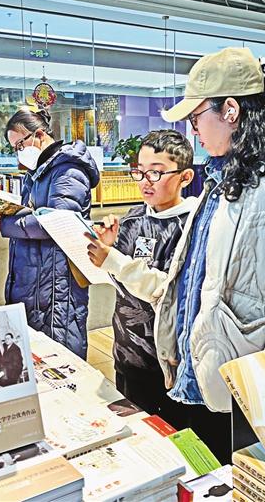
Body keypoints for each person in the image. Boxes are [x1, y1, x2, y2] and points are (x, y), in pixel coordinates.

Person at [91, 47, 265, 462]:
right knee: (200, 474)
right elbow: (196, 276)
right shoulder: (228, 175)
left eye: (197, 117)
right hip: (212, 373)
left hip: (252, 387)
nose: (193, 130)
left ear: (230, 109)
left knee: (238, 476)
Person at [85, 129, 196, 418]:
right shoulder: (133, 219)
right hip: (127, 352)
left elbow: (170, 293)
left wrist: (114, 260)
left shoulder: (191, 227)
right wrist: (107, 249)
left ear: (185, 177)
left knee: (175, 435)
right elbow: (119, 281)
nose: (146, 181)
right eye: (140, 171)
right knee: (137, 428)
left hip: (169, 362)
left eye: (156, 173)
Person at [0, 107, 100, 359]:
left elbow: (56, 222)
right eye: (14, 148)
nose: (19, 152)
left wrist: (6, 224)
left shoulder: (68, 171)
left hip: (56, 282)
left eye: (20, 145)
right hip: (35, 278)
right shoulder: (38, 173)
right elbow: (35, 214)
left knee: (61, 353)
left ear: (39, 135)